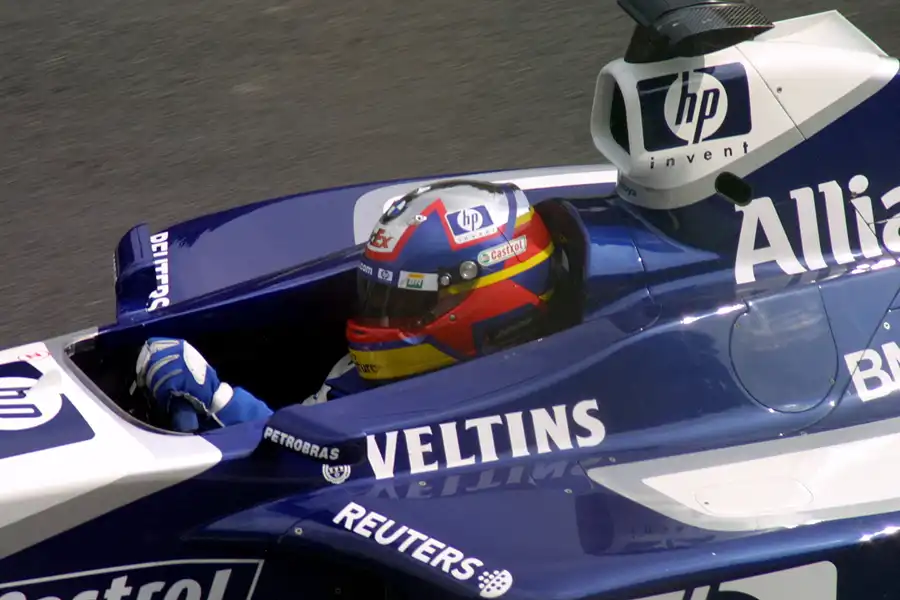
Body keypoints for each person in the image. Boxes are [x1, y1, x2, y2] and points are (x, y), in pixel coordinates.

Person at [135, 180, 568, 433]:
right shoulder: (370, 381)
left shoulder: (519, 413)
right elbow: (297, 432)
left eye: (404, 301)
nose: (380, 317)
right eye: (379, 296)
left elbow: (298, 460)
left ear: (485, 301)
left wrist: (218, 400)